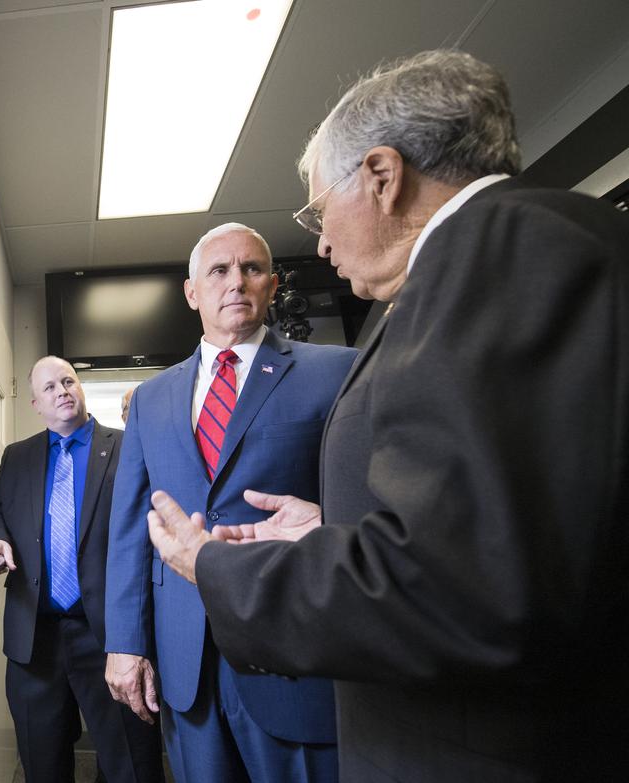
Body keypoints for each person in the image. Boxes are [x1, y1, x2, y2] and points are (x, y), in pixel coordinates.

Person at [146, 50, 629, 781]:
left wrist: (215, 565)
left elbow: (460, 586)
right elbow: (501, 528)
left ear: (381, 175)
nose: (320, 241)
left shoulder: (497, 257)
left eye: (317, 209)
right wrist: (333, 529)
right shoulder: (496, 259)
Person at [103, 223, 354, 782]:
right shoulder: (151, 398)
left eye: (252, 269)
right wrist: (125, 643)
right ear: (192, 292)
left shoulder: (336, 372)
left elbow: (369, 501)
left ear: (272, 284)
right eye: (218, 270)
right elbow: (128, 529)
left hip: (290, 650)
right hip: (186, 659)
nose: (235, 282)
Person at [0, 355, 163, 783]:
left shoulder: (127, 447)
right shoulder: (17, 457)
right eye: (49, 388)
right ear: (36, 405)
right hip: (33, 640)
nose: (61, 390)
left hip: (110, 638)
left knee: (131, 766)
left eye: (68, 381)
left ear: (79, 388)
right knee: (42, 768)